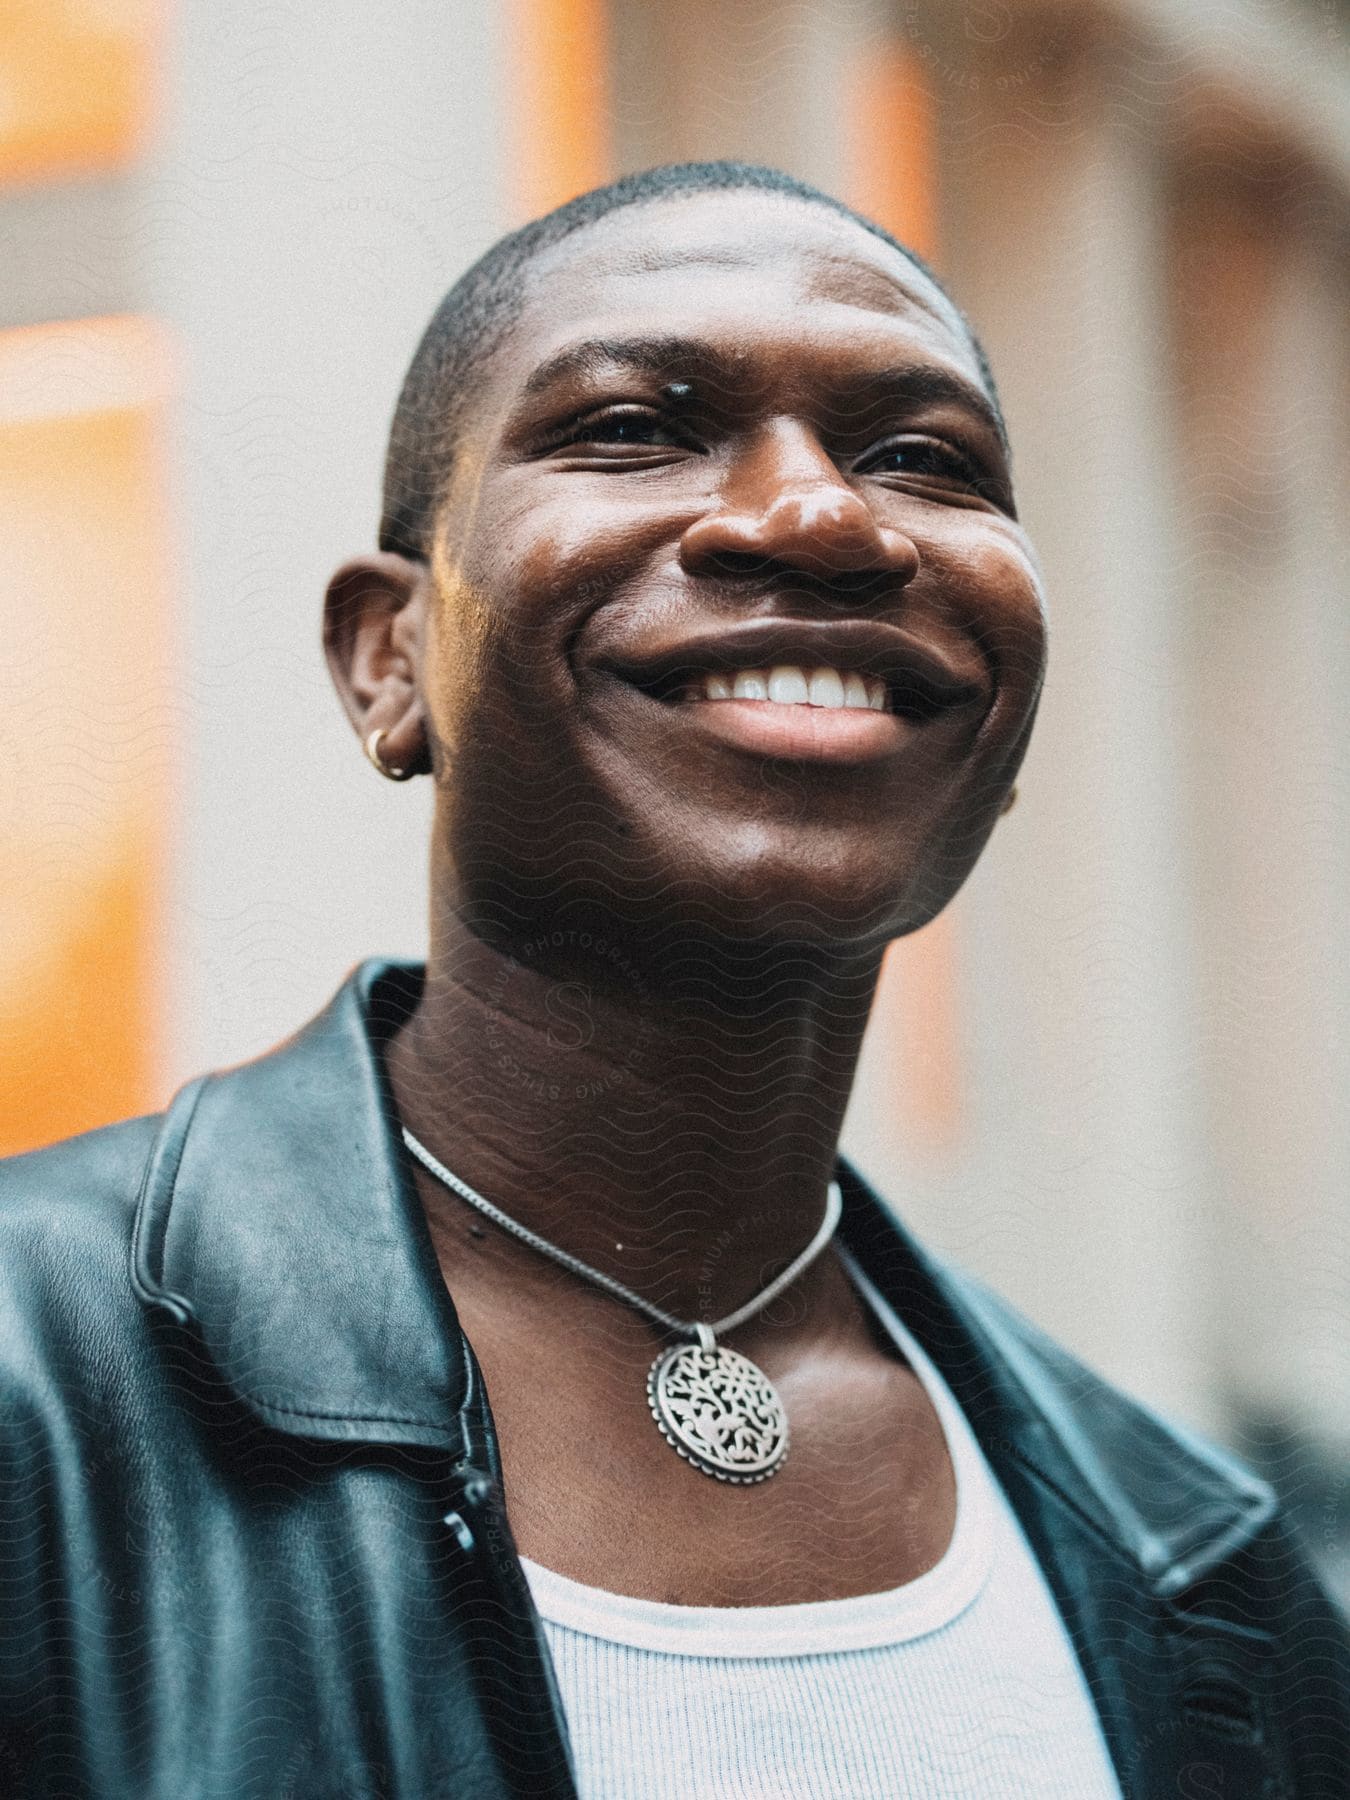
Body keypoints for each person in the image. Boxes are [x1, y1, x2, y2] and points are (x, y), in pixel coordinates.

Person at [0, 162, 1345, 1800]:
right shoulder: (34, 1385)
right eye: (633, 427)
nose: (817, 517)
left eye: (923, 459)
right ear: (389, 659)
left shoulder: (1207, 1578)